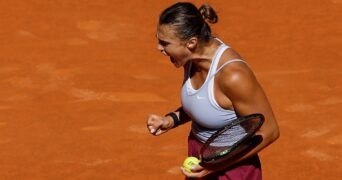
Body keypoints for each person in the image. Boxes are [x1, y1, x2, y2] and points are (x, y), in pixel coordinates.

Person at [146, 2, 280, 179]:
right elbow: (206, 104)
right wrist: (172, 120)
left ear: (191, 43)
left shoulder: (233, 76)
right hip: (200, 158)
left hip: (232, 168)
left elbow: (270, 131)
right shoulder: (191, 58)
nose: (159, 48)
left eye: (165, 43)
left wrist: (215, 167)